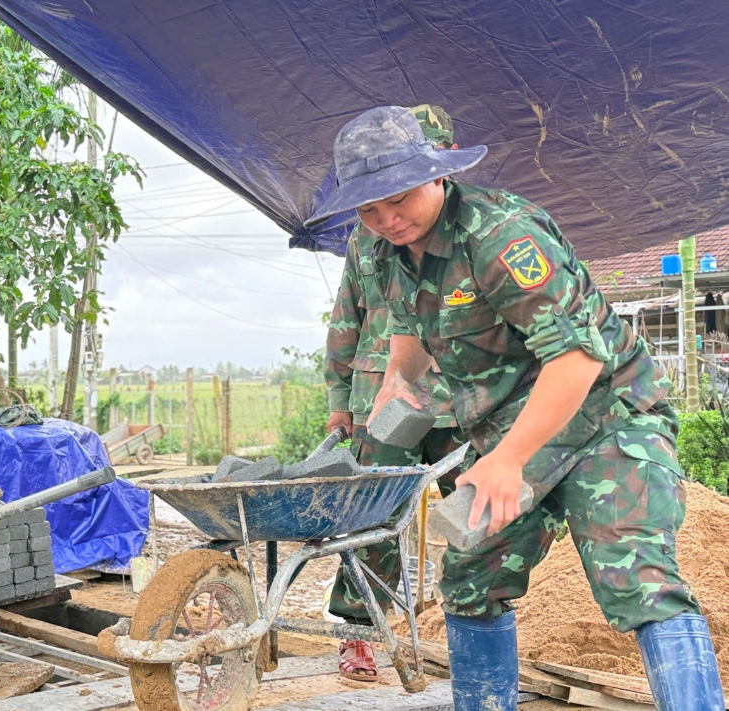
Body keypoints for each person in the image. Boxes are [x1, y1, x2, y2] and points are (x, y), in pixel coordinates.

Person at [308, 105, 723, 710]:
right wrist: (399, 382)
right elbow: (413, 331)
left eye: (398, 198)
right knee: (472, 580)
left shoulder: (499, 235)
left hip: (605, 418)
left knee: (636, 578)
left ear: (435, 175)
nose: (387, 218)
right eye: (369, 207)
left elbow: (578, 358)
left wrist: (507, 460)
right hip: (509, 431)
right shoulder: (378, 252)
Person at [322, 104, 463, 683]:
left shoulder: (471, 230)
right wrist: (338, 399)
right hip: (378, 397)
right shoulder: (369, 238)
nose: (389, 209)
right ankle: (359, 632)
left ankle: (468, 624)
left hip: (456, 396)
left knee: (472, 512)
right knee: (371, 516)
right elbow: (345, 317)